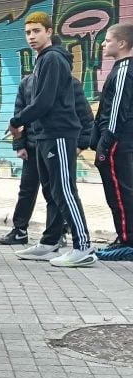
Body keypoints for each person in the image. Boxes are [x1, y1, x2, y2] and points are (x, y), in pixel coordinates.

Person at [7, 12, 96, 267]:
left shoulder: (54, 58)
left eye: (36, 31)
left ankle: (84, 246)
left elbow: (43, 102)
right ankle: (49, 243)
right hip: (44, 136)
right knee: (51, 192)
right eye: (27, 32)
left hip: (58, 134)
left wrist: (16, 122)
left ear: (49, 31)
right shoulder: (43, 60)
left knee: (64, 191)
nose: (31, 37)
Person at [0, 68, 92, 249]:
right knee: (26, 190)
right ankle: (19, 231)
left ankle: (57, 234)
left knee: (56, 192)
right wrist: (20, 145)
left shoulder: (70, 84)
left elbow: (86, 117)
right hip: (33, 149)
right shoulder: (27, 83)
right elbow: (20, 114)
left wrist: (81, 144)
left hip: (55, 147)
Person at [93, 23, 133, 261]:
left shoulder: (125, 69)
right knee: (120, 190)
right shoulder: (121, 68)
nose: (103, 44)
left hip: (117, 141)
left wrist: (106, 142)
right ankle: (124, 236)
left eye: (107, 40)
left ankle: (128, 241)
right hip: (119, 139)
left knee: (119, 191)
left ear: (122, 43)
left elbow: (117, 109)